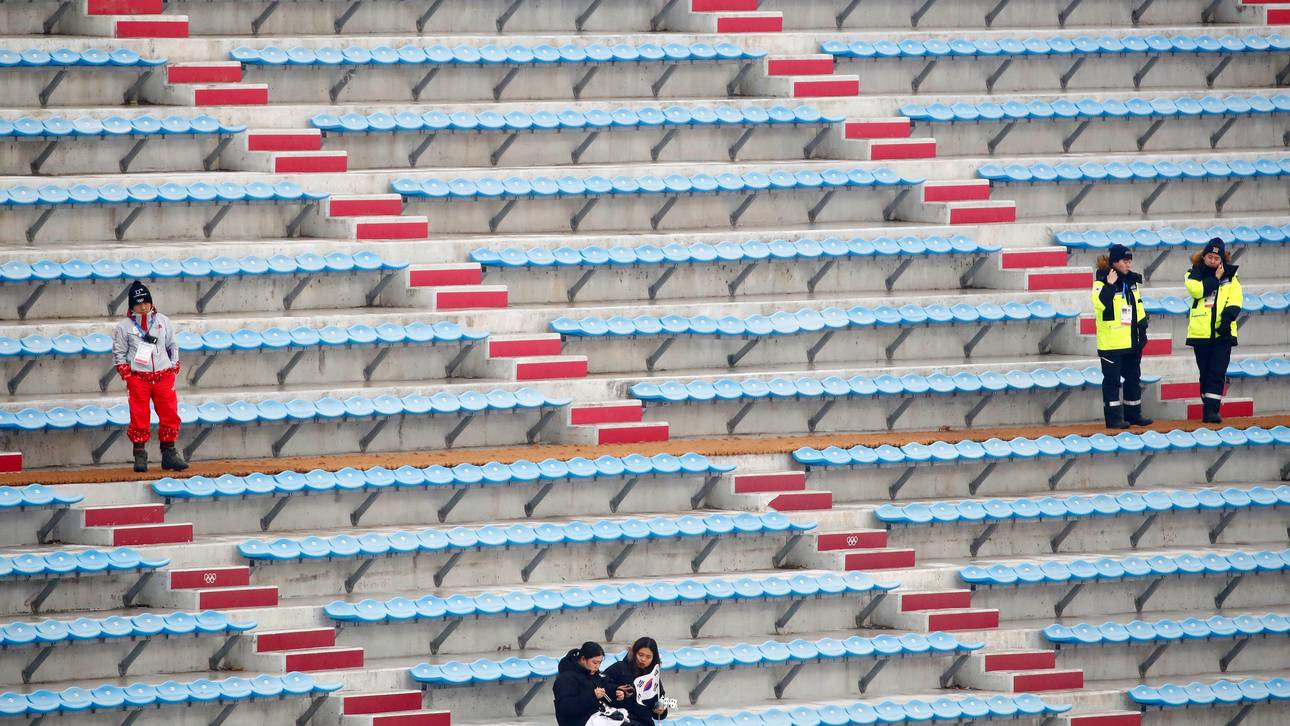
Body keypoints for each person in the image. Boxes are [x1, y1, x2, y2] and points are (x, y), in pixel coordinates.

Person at [112, 281, 187, 473]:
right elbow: (119, 353)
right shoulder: (124, 327)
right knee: (139, 416)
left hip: (163, 376)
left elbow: (173, 345)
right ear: (131, 306)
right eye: (138, 304)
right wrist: (127, 374)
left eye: (146, 302)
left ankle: (169, 454)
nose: (143, 306)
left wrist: (173, 368)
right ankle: (140, 454)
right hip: (139, 378)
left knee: (169, 412)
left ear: (151, 302)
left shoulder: (162, 321)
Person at [1091, 244, 1153, 430]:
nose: (1129, 264)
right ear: (1114, 262)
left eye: (1130, 261)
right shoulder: (1100, 282)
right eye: (1125, 261)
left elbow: (1139, 307)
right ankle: (1113, 419)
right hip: (1111, 344)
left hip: (1131, 341)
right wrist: (1110, 284)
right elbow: (1100, 304)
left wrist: (1142, 331)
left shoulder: (1131, 282)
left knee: (1133, 378)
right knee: (1112, 382)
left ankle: (1134, 415)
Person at [1185, 238, 1242, 423]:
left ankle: (1211, 411)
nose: (1212, 261)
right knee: (1206, 373)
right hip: (1200, 334)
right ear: (1203, 257)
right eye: (1209, 256)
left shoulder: (1232, 277)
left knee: (1217, 372)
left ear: (1222, 259)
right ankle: (1208, 406)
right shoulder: (1193, 273)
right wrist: (1215, 278)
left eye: (1216, 258)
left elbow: (1236, 299)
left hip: (1222, 334)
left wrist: (1228, 318)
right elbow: (1197, 291)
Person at [604, 637, 670, 723]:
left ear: (653, 658)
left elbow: (660, 700)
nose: (643, 659)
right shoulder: (620, 668)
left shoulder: (653, 676)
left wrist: (660, 710)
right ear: (633, 653)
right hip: (621, 720)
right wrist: (616, 690)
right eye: (640, 655)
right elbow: (602, 684)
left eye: (648, 657)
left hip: (644, 721)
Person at [554, 641, 616, 726]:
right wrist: (593, 696)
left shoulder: (594, 674)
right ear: (583, 659)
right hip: (578, 721)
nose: (597, 667)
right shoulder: (566, 678)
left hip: (598, 715)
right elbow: (566, 708)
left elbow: (607, 688)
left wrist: (617, 692)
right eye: (594, 662)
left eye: (600, 663)